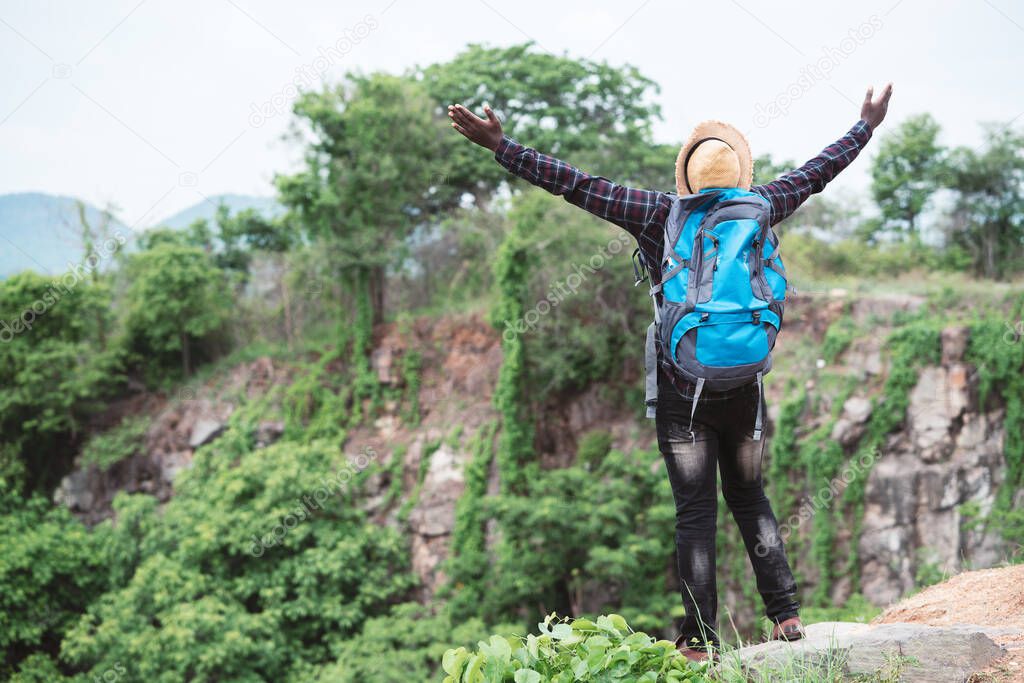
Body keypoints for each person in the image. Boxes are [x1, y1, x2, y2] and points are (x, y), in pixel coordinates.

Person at [448, 83, 893, 662]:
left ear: (686, 172)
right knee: (751, 497)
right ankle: (784, 614)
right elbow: (821, 168)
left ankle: (701, 642)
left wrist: (502, 146)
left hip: (684, 394)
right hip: (746, 389)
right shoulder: (765, 203)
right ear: (738, 173)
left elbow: (576, 184)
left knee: (695, 515)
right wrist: (867, 124)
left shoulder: (659, 214)